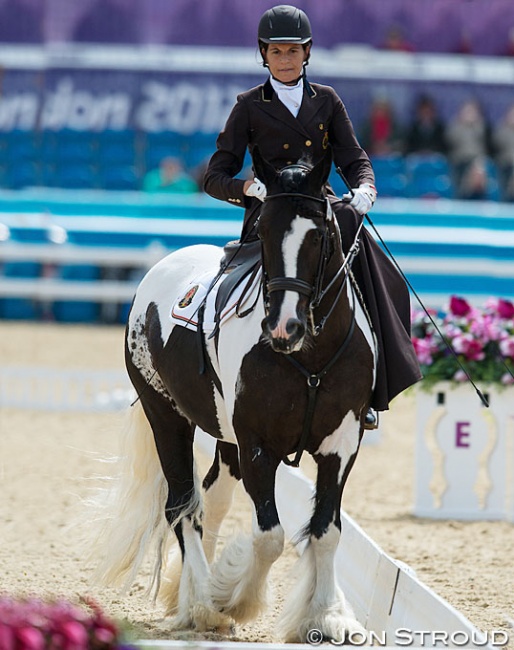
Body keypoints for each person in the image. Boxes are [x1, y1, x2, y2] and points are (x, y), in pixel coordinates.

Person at [203, 4, 422, 427]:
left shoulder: (327, 100)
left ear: (307, 53)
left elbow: (353, 156)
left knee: (381, 272)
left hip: (319, 210)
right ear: (264, 54)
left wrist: (365, 188)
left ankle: (371, 387)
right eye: (277, 51)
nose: (285, 59)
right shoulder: (248, 105)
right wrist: (246, 189)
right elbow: (215, 175)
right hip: (269, 211)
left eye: (293, 51)